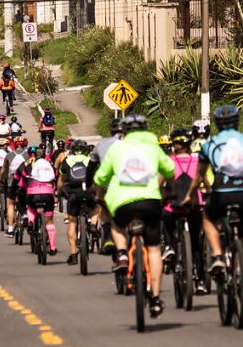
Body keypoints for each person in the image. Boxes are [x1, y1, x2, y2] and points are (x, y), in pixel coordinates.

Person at [94, 114, 175, 319]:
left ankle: (122, 253)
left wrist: (100, 197)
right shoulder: (154, 148)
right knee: (154, 248)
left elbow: (100, 177)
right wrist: (167, 192)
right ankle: (155, 298)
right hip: (150, 201)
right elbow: (170, 170)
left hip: (122, 203)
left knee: (117, 225)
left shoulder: (116, 149)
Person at [184, 105, 243, 310]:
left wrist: (190, 195)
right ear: (237, 122)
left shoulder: (210, 145)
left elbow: (199, 176)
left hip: (221, 193)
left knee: (208, 219)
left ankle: (217, 255)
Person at [162, 128, 208, 294]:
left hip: (173, 206)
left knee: (165, 220)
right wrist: (208, 192)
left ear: (174, 145)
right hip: (194, 206)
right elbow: (204, 180)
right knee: (196, 244)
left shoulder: (168, 161)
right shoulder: (196, 161)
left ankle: (169, 246)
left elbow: (160, 183)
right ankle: (201, 281)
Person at [86, 118, 124, 254]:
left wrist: (89, 185)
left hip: (108, 187)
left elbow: (91, 167)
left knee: (106, 210)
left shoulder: (102, 144)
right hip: (134, 186)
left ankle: (108, 238)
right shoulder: (134, 144)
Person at [57, 140, 96, 265]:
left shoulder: (67, 161)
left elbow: (61, 181)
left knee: (72, 222)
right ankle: (93, 224)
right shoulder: (90, 160)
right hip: (88, 192)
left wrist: (58, 193)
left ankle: (73, 253)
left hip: (73, 195)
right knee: (98, 208)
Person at [18, 147, 58, 255]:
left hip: (32, 193)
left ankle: (31, 221)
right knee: (49, 220)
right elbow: (56, 178)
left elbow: (21, 184)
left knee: (31, 208)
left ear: (34, 156)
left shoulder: (30, 166)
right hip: (48, 193)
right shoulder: (49, 166)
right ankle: (53, 247)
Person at [2, 136, 30, 237]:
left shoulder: (9, 155)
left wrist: (0, 178)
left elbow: (4, 169)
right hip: (25, 184)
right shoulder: (28, 155)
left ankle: (10, 229)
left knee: (10, 204)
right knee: (25, 202)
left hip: (11, 183)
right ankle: (26, 216)